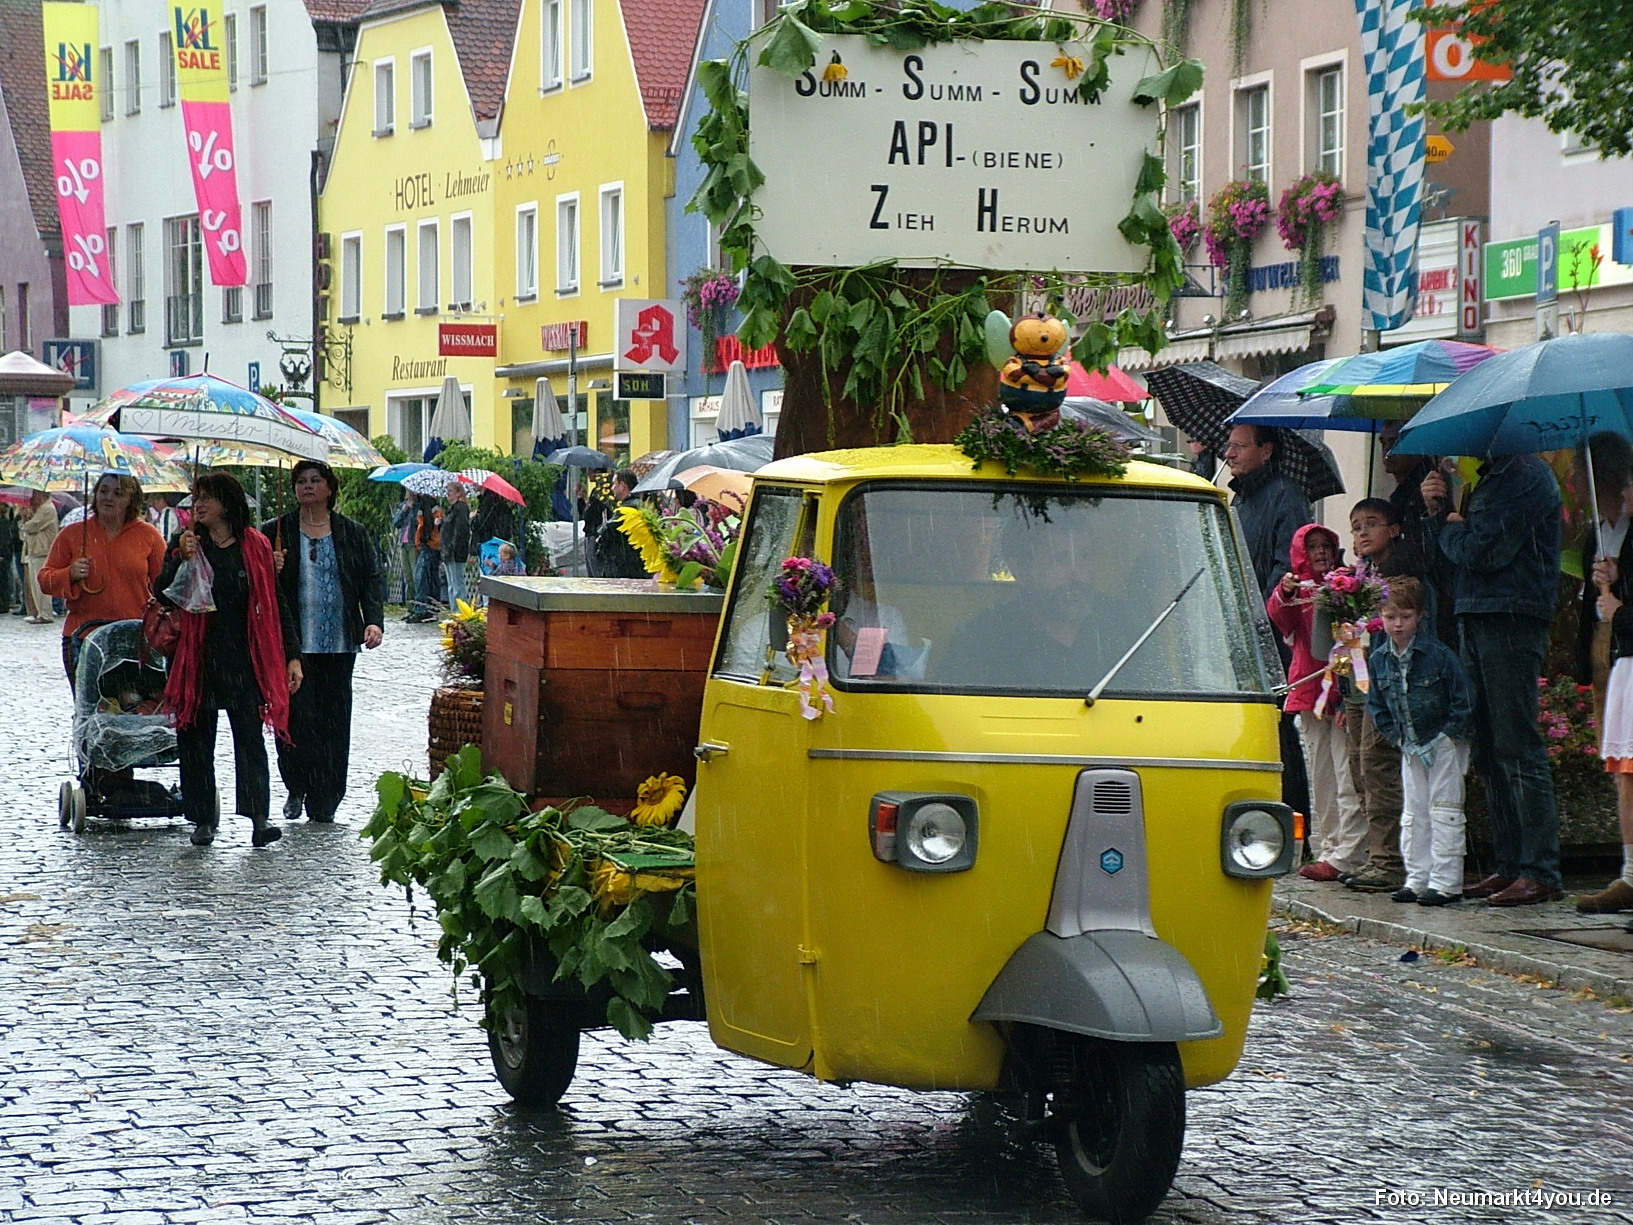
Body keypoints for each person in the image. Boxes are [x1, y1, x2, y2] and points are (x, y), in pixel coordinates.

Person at [1422, 453, 1564, 907]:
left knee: (1515, 744)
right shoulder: (1485, 480)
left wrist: (1452, 525)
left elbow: (1483, 551)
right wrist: (1440, 515)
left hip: (1510, 615)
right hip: (1476, 613)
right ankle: (1508, 865)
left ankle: (1539, 869)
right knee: (1485, 745)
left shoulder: (1524, 474)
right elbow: (1452, 563)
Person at [159, 471, 300, 848]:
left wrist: (292, 656)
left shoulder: (255, 545)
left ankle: (259, 817)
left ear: (228, 502)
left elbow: (276, 602)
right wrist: (179, 558)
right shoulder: (187, 542)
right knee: (195, 737)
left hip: (244, 657)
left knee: (249, 739)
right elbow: (163, 591)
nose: (198, 504)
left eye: (206, 497)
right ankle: (203, 817)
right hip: (198, 657)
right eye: (195, 497)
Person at [264, 460, 384, 826]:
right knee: (296, 719)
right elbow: (255, 581)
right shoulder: (276, 531)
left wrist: (374, 620)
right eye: (301, 481)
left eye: (315, 481)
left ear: (329, 488)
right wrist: (271, 566)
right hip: (294, 644)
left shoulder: (351, 532)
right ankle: (297, 784)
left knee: (334, 720)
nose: (307, 487)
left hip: (338, 642)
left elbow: (370, 578)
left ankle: (327, 798)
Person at [1340, 497, 1432, 894]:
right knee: (1359, 767)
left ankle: (1391, 860)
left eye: (1371, 523)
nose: (1362, 532)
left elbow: (1397, 628)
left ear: (1393, 529)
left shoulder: (1401, 575)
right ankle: (1376, 853)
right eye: (1356, 525)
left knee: (1379, 765)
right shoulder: (1356, 576)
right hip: (1359, 681)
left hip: (1388, 681)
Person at [1224, 422, 1314, 825]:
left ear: (1267, 451)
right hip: (1240, 629)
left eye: (1240, 446)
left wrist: (1260, 619)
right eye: (1229, 446)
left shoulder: (1285, 498)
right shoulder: (1239, 500)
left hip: (1271, 632)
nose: (1230, 453)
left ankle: (1294, 821)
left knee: (1278, 728)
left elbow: (1286, 567)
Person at [1366, 577, 1475, 907]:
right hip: (1410, 744)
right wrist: (1397, 736)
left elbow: (1463, 698)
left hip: (1442, 740)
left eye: (1406, 616)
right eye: (1390, 617)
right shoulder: (1379, 659)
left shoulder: (1439, 656)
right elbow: (1377, 705)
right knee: (1414, 812)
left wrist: (1449, 735)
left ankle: (1446, 881)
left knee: (1445, 809)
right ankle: (1417, 877)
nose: (1398, 625)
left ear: (1420, 617)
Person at [1268, 524, 1366, 883]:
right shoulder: (1297, 589)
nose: (1321, 552)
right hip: (1310, 689)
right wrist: (1284, 592)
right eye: (1312, 547)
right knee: (1321, 775)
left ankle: (1350, 851)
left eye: (1327, 545)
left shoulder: (1347, 585)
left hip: (1342, 691)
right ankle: (1327, 844)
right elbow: (1280, 617)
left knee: (1346, 773)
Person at [38, 473, 167, 688]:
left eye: (118, 493)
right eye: (103, 491)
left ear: (131, 500)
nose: (109, 498)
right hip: (83, 637)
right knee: (89, 711)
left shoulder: (149, 535)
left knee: (132, 709)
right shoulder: (72, 534)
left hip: (133, 638)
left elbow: (164, 587)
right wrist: (69, 574)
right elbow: (44, 580)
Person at [1572, 433, 1633, 736]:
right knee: (1608, 738)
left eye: (1580, 472)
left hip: (1626, 642)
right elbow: (1587, 604)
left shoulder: (1629, 529)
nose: (1574, 481)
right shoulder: (1595, 535)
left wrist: (1618, 580)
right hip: (1603, 644)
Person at [595, 468, 649, 579]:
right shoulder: (640, 504)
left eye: (614, 484)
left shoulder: (628, 508)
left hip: (626, 566)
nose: (612, 488)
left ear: (622, 486)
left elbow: (606, 530)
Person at [19, 490, 60, 624]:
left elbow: (33, 526)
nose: (32, 498)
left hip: (42, 551)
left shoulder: (47, 508)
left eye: (34, 495)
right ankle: (39, 612)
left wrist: (24, 523)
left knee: (40, 584)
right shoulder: (40, 509)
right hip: (35, 550)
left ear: (41, 495)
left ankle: (46, 614)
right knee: (34, 585)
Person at [406, 493, 443, 622]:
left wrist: (423, 539)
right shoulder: (426, 503)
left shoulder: (427, 502)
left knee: (421, 576)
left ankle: (422, 609)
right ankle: (432, 608)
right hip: (432, 544)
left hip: (429, 544)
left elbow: (424, 524)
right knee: (431, 577)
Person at [440, 481, 473, 608]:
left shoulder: (461, 508)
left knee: (457, 584)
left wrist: (452, 548)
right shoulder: (452, 509)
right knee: (451, 585)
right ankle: (454, 611)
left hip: (455, 552)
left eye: (450, 491)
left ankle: (460, 612)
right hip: (448, 551)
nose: (448, 494)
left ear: (458, 493)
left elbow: (461, 531)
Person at [391, 488, 417, 604]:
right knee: (407, 576)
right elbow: (396, 522)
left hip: (413, 543)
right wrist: (404, 510)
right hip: (403, 542)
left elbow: (418, 523)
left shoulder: (418, 506)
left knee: (414, 574)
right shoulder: (402, 506)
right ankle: (410, 604)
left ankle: (417, 604)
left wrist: (413, 509)